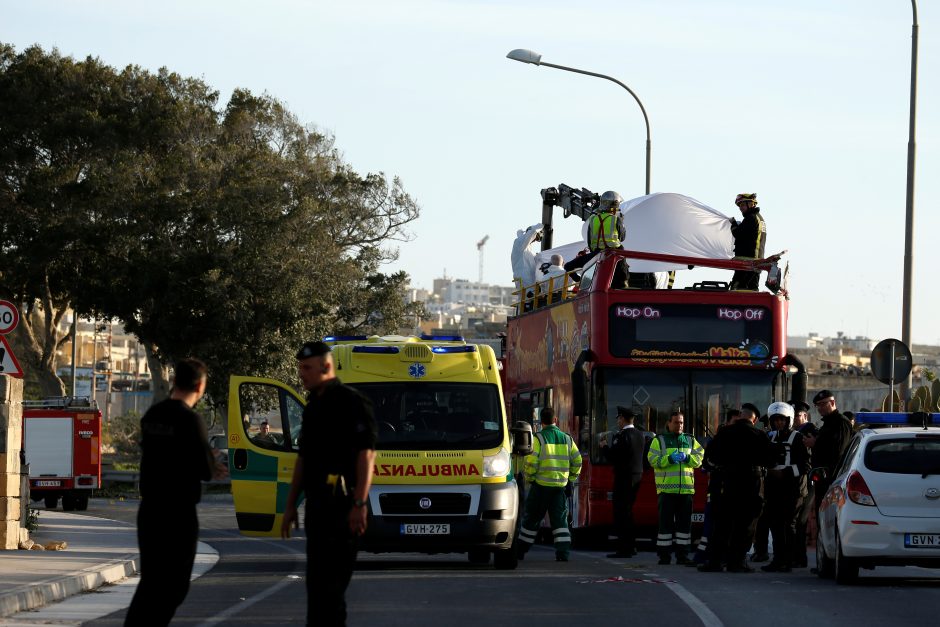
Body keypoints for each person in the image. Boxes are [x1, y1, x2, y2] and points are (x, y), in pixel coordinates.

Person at [125, 358, 227, 626]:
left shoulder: (153, 415)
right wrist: (212, 460)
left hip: (149, 512)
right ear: (201, 385)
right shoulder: (191, 420)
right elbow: (205, 470)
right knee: (175, 584)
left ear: (173, 381)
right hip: (178, 515)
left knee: (151, 581)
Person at [282, 341, 377, 627]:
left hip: (343, 508)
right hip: (318, 509)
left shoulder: (351, 402)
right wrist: (290, 507)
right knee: (316, 590)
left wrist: (360, 503)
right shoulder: (312, 409)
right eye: (300, 369)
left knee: (332, 591)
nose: (302, 374)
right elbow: (303, 460)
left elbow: (366, 455)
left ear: (326, 366)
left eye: (306, 368)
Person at [699, 403, 774, 573]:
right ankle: (737, 562)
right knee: (745, 526)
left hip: (727, 485)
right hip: (750, 486)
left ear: (740, 415)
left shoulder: (725, 432)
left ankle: (715, 562)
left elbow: (709, 458)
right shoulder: (759, 435)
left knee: (722, 524)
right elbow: (770, 460)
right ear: (754, 420)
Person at [517, 407, 583, 562]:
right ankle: (562, 553)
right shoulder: (567, 439)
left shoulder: (538, 438)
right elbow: (578, 461)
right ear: (555, 420)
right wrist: (570, 479)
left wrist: (530, 478)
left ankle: (520, 551)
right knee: (560, 521)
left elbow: (531, 461)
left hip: (540, 487)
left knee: (531, 519)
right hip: (560, 488)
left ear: (541, 421)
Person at [647, 411, 704, 565]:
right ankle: (664, 556)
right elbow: (652, 460)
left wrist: (688, 458)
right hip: (666, 490)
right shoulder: (659, 440)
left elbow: (700, 458)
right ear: (669, 423)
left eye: (681, 423)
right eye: (676, 422)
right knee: (665, 525)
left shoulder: (690, 440)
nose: (679, 425)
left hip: (686, 490)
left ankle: (682, 555)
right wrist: (669, 459)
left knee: (684, 526)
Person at [760, 402, 810, 573]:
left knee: (790, 525)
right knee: (775, 524)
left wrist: (785, 473)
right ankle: (778, 559)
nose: (778, 423)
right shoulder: (770, 437)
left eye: (781, 419)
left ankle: (789, 559)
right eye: (775, 420)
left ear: (788, 419)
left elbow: (806, 465)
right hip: (774, 489)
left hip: (793, 489)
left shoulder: (797, 438)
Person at [599, 406, 646, 558]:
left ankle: (624, 548)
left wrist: (604, 447)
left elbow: (614, 457)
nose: (617, 421)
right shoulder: (640, 435)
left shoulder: (622, 436)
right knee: (628, 512)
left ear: (622, 419)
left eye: (618, 418)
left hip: (624, 477)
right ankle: (631, 546)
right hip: (637, 476)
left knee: (621, 512)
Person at [802, 390, 853, 513]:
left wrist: (815, 443)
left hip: (833, 480)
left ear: (833, 402)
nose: (820, 407)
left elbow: (839, 450)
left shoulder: (841, 423)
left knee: (830, 517)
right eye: (818, 405)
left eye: (823, 404)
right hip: (822, 479)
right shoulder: (826, 424)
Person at [790, 399, 817, 567]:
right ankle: (797, 556)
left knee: (799, 521)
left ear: (805, 416)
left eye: (797, 416)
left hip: (807, 482)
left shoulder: (808, 432)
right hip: (800, 481)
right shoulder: (796, 432)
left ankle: (799, 558)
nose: (793, 419)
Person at [729, 193, 766, 291]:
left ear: (751, 204)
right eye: (739, 206)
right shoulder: (760, 219)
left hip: (746, 263)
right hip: (756, 263)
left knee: (737, 290)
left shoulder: (751, 218)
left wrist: (733, 224)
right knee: (752, 291)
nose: (740, 208)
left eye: (742, 205)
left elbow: (737, 233)